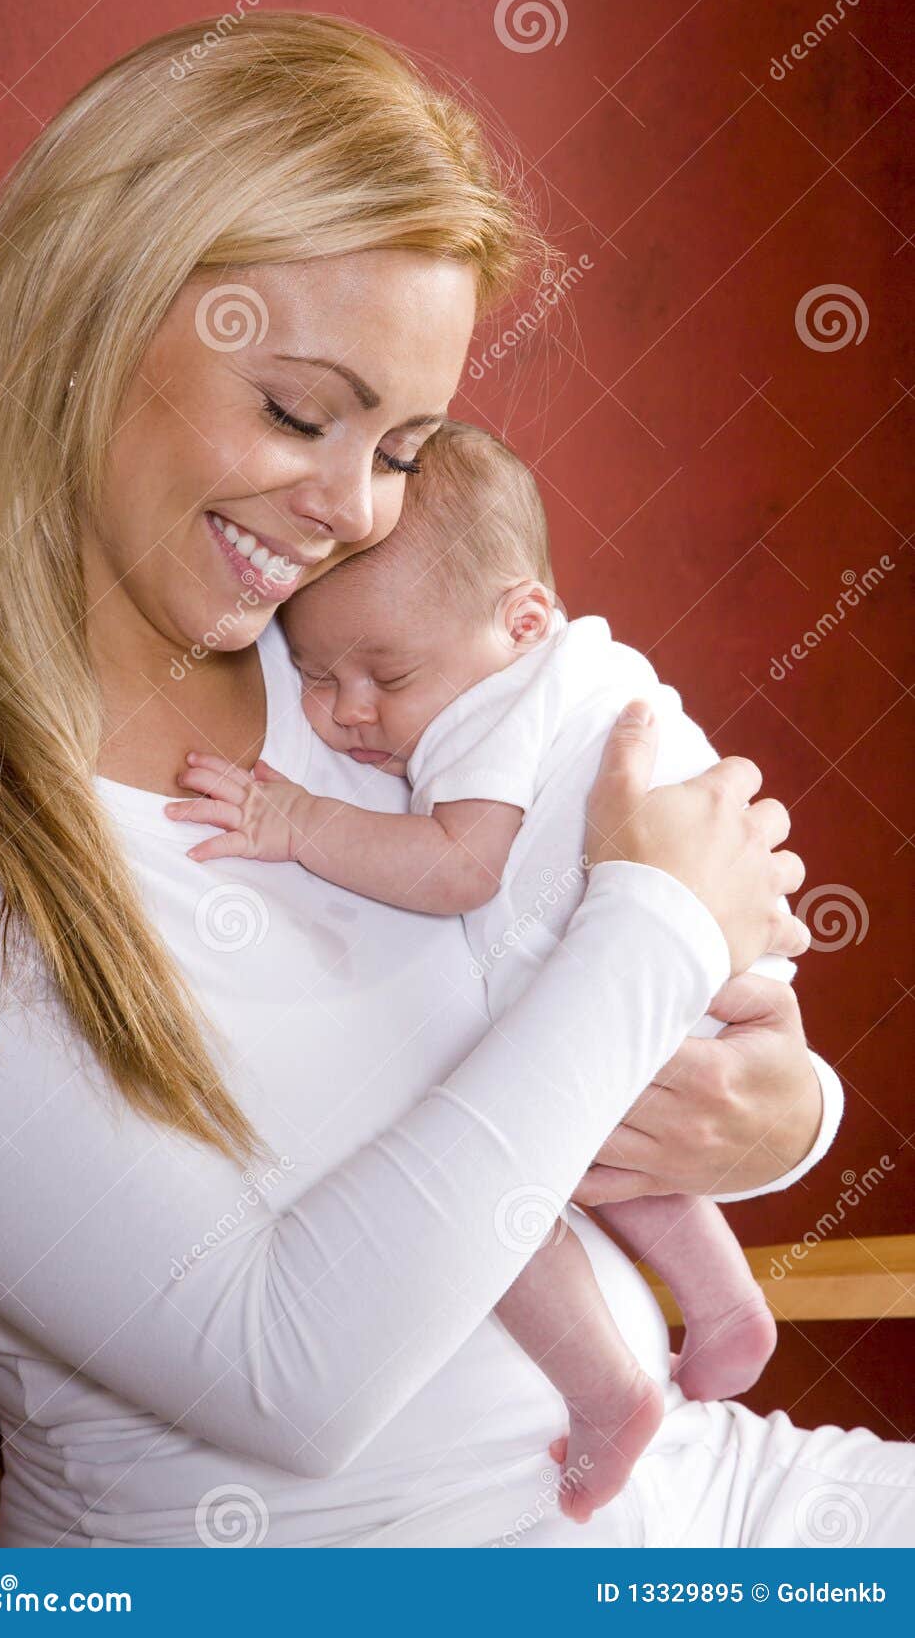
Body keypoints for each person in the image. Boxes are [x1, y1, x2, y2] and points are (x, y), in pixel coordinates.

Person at [0, 13, 905, 1549]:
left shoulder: (349, 668)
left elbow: (677, 1004)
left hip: (690, 1497)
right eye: (295, 411)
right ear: (80, 324)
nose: (350, 510)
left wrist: (778, 1115)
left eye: (403, 443)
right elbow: (283, 1373)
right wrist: (659, 923)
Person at [167, 419, 793, 1523]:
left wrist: (295, 817)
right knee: (586, 1150)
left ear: (522, 620)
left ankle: (604, 1391)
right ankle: (722, 1299)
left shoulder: (501, 702)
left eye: (384, 675)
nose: (349, 710)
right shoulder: (575, 662)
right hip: (701, 976)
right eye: (319, 676)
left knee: (471, 1189)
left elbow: (460, 866)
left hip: (639, 958)